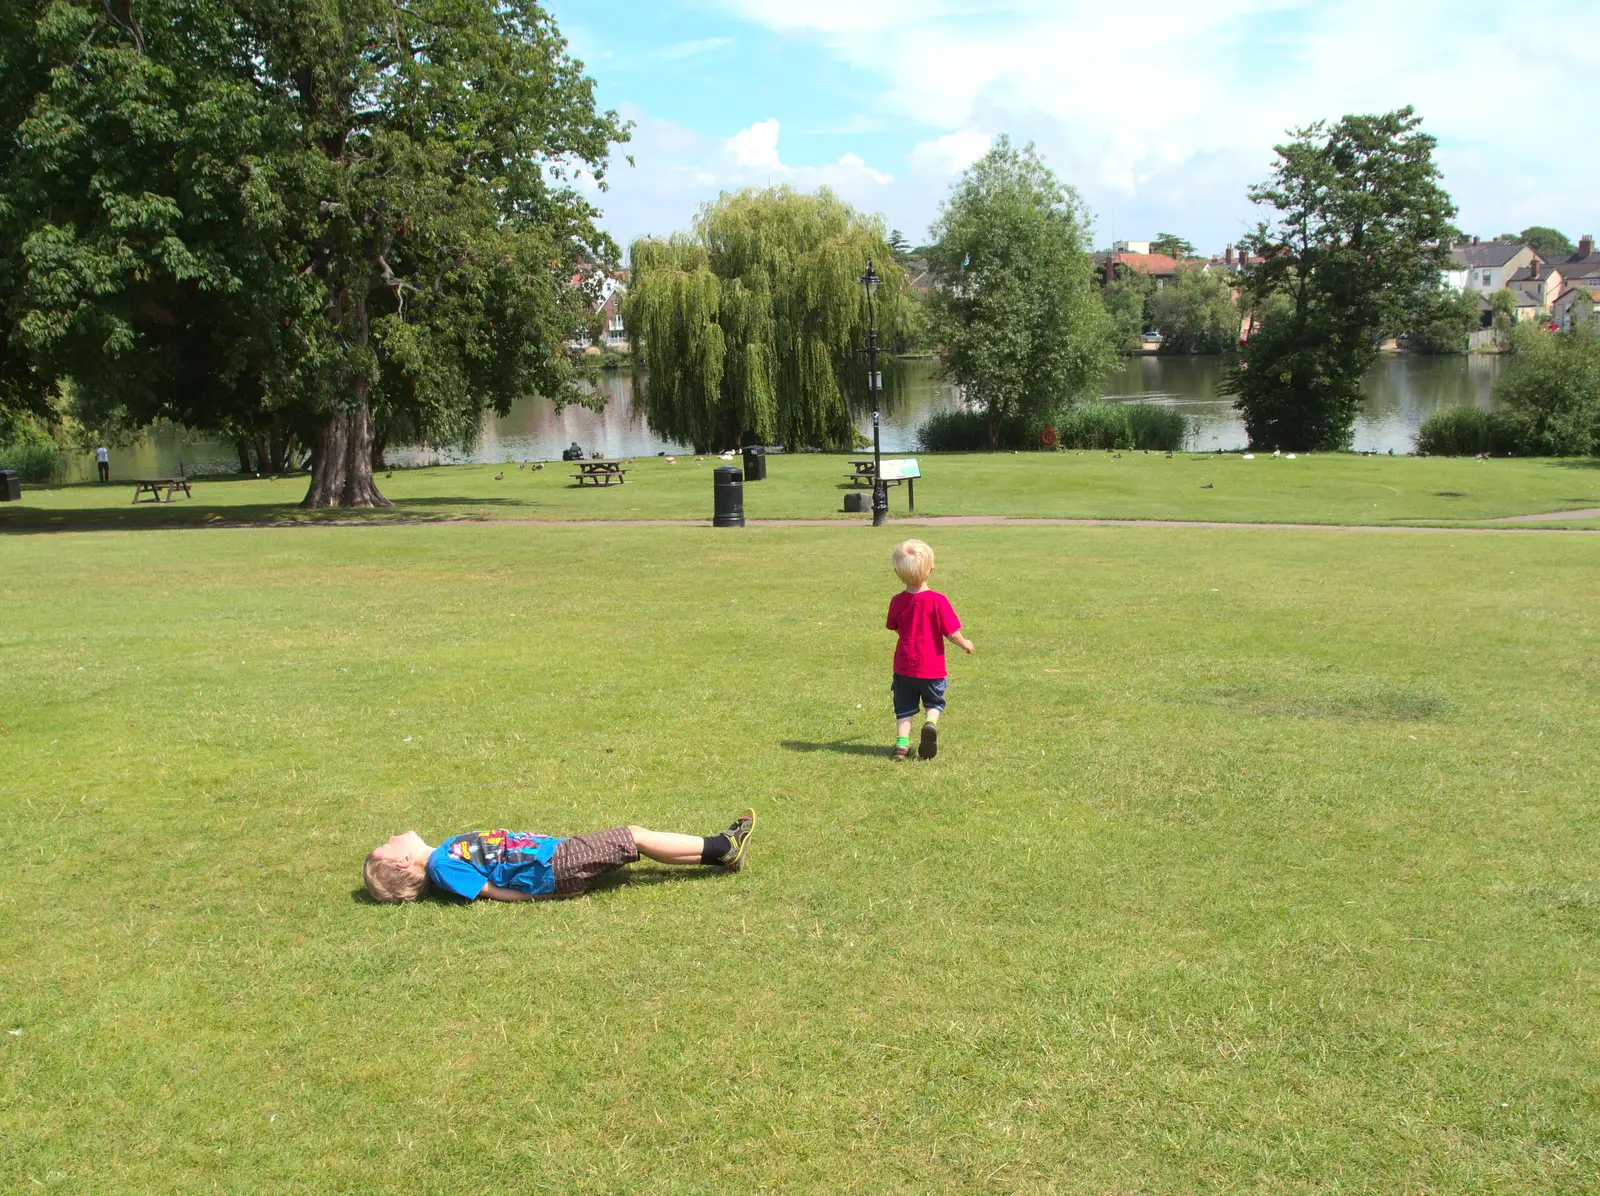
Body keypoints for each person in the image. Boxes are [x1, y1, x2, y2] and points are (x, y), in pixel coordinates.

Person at [363, 809, 755, 904]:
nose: (393, 835)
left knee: (634, 847)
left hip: (556, 860)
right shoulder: (443, 866)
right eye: (388, 843)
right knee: (634, 836)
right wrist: (542, 894)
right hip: (555, 866)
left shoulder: (445, 852)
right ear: (402, 863)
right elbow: (491, 892)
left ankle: (721, 859)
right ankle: (722, 845)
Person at [885, 539, 974, 761]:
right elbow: (951, 631)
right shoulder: (938, 601)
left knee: (904, 707)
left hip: (904, 666)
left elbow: (894, 626)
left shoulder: (897, 601)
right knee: (934, 702)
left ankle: (901, 746)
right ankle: (930, 723)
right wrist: (965, 643)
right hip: (931, 666)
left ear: (898, 573)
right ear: (931, 569)